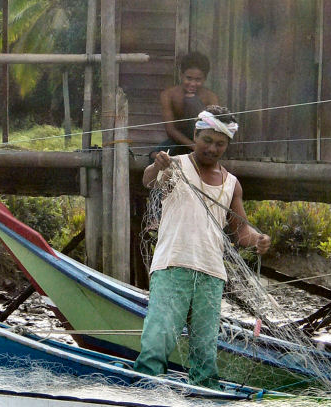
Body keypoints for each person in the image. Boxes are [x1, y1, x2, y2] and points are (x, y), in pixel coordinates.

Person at [134, 105, 271, 390]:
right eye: (206, 140)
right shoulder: (176, 165)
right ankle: (147, 389)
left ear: (227, 145)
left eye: (220, 144)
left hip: (211, 274)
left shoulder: (232, 183)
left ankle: (204, 392)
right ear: (195, 135)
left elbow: (240, 230)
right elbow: (149, 181)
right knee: (158, 340)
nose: (212, 148)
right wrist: (156, 166)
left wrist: (258, 239)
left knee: (205, 349)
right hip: (173, 266)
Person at [151, 52, 219, 159]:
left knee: (191, 101)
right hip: (177, 140)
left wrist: (200, 145)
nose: (192, 83)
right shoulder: (168, 95)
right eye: (189, 78)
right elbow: (170, 130)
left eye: (198, 80)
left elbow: (214, 128)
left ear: (204, 79)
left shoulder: (210, 97)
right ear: (181, 75)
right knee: (154, 155)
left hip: (201, 140)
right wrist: (193, 146)